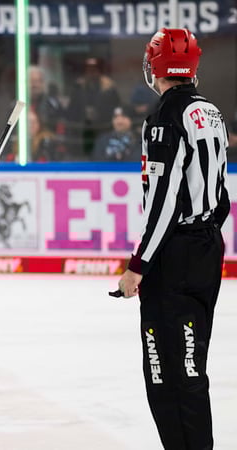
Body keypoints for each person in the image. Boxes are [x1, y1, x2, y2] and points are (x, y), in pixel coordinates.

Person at [116, 28, 229, 450]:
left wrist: (138, 265)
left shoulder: (164, 117)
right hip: (205, 250)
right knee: (191, 361)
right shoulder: (212, 113)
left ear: (154, 66)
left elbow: (162, 202)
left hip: (173, 256)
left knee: (166, 369)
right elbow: (220, 198)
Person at [65, 57, 121, 158]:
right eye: (89, 70)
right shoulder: (78, 88)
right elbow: (71, 112)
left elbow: (115, 110)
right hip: (82, 133)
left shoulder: (109, 89)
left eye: (95, 70)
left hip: (103, 130)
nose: (92, 73)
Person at [28, 66, 64, 135]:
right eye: (31, 81)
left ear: (43, 83)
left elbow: (60, 131)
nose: (34, 85)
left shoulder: (53, 106)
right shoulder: (16, 105)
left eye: (37, 81)